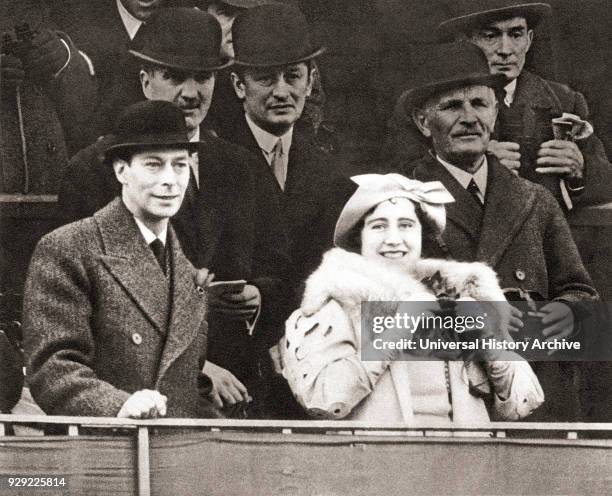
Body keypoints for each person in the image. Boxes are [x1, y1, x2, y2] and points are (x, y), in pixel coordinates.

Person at [58, 8, 292, 418]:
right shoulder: (93, 171)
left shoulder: (240, 166)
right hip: (140, 397)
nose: (191, 92)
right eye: (174, 76)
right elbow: (91, 304)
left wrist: (258, 295)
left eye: (203, 77)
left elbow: (278, 265)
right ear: (145, 80)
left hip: (238, 395)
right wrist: (195, 369)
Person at [402, 41, 598, 421]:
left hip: (533, 395)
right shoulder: (402, 201)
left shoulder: (535, 200)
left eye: (480, 103)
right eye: (452, 106)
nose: (470, 118)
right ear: (423, 122)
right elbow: (377, 319)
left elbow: (582, 294)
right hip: (446, 402)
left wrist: (568, 313)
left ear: (495, 111)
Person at [280, 173, 544, 423]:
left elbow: (524, 402)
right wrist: (396, 332)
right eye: (378, 226)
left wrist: (488, 339)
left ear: (421, 234)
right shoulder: (331, 305)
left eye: (406, 225)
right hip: (380, 464)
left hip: (467, 463)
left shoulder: (457, 298)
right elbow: (322, 401)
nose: (394, 240)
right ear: (358, 239)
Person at [24, 101, 214, 418]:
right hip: (104, 452)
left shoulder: (185, 270)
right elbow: (53, 367)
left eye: (179, 165)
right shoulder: (69, 248)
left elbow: (186, 387)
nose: (170, 180)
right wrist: (118, 405)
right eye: (154, 165)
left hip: (175, 453)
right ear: (121, 170)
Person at [381, 0, 612, 211]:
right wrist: (468, 165)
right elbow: (393, 182)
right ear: (464, 42)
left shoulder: (563, 100)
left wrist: (580, 170)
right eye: (491, 35)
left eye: (516, 34)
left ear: (529, 40)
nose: (505, 49)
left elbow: (606, 182)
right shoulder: (425, 104)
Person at [225, 3, 355, 290]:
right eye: (265, 78)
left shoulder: (329, 172)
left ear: (309, 82)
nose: (281, 92)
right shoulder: (214, 161)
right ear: (239, 85)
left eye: (293, 76)